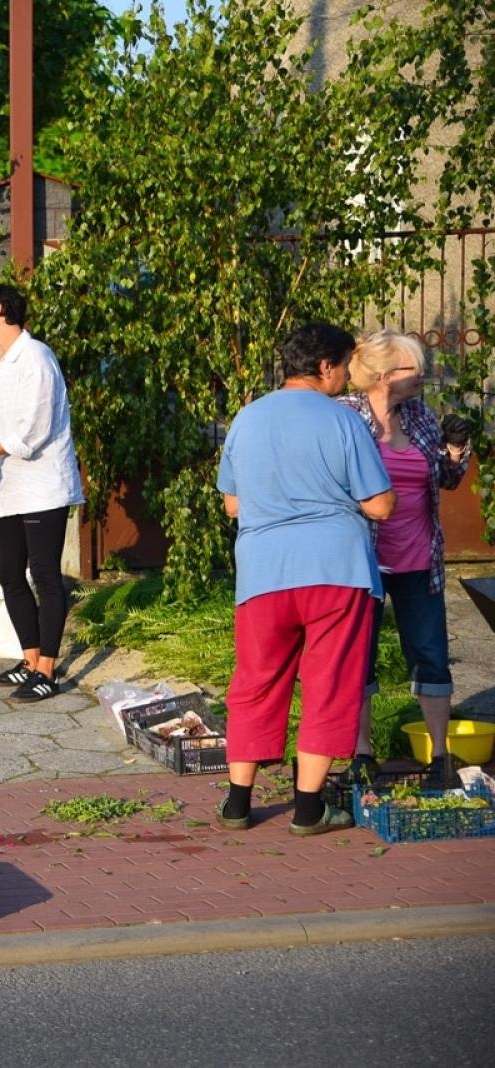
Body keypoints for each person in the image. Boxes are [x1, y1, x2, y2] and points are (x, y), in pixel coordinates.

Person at [215, 322, 395, 836]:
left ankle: (237, 802)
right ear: (324, 367)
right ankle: (310, 808)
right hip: (336, 571)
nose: (345, 376)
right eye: (342, 365)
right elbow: (379, 504)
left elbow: (232, 504)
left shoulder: (246, 419)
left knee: (255, 681)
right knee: (329, 683)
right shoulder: (343, 422)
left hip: (263, 572)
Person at [336, 330, 471, 788]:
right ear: (384, 376)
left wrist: (455, 448)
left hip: (419, 559)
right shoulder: (345, 417)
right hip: (361, 561)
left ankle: (441, 758)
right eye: (415, 369)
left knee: (431, 656)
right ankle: (361, 753)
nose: (424, 377)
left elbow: (447, 478)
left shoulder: (419, 415)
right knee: (360, 658)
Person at [0, 283, 84, 702]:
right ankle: (28, 660)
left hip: (42, 487)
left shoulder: (38, 358)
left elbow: (35, 427)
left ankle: (48, 667)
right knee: (9, 573)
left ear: (0, 311)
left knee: (45, 575)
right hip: (4, 487)